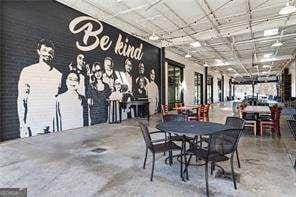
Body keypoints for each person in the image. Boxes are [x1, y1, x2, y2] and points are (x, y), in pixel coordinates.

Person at [18, 39, 62, 137]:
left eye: (50, 52)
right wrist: (22, 125)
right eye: (44, 50)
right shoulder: (27, 71)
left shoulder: (58, 75)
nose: (47, 54)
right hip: (34, 125)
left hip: (54, 125)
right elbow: (21, 100)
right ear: (38, 51)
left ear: (53, 55)